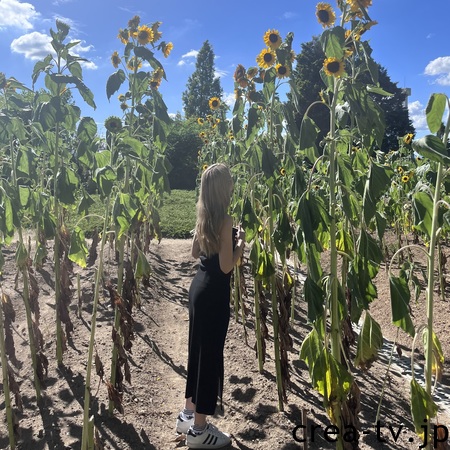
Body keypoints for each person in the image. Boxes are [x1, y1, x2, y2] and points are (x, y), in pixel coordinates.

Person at [175, 163, 245, 449]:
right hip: (214, 295)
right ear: (224, 189)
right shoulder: (226, 221)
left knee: (197, 354)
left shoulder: (203, 216)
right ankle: (200, 430)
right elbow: (227, 266)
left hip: (198, 289)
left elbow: (195, 252)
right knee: (210, 358)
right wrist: (240, 244)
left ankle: (187, 415)